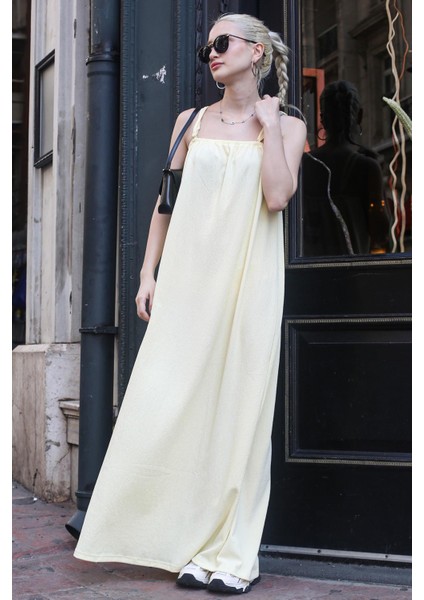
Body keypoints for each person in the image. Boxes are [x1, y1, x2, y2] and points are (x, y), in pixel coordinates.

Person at [74, 12, 306, 595]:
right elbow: (166, 203)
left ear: (256, 51)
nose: (212, 53)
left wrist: (269, 124)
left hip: (249, 280)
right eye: (207, 47)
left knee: (240, 412)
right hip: (188, 280)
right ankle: (189, 542)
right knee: (172, 404)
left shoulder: (288, 125)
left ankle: (233, 554)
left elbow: (277, 196)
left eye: (222, 42)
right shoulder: (190, 122)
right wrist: (147, 272)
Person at [302, 80, 391, 256]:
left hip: (308, 267)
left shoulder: (303, 164)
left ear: (322, 119)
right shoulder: (367, 167)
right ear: (359, 116)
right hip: (352, 268)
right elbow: (380, 233)